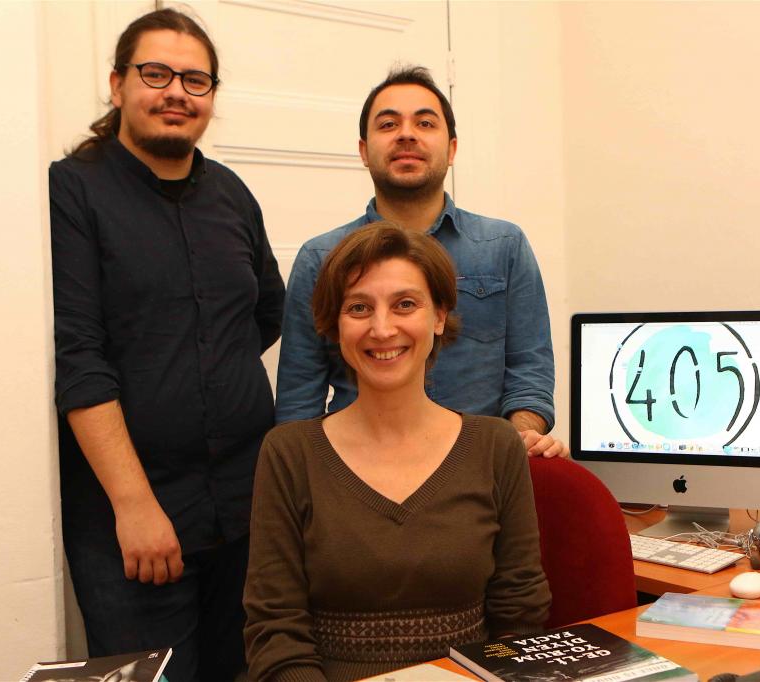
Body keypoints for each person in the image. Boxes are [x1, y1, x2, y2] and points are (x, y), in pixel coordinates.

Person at [49, 9, 284, 680]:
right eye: (156, 74)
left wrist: (204, 368)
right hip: (134, 523)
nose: (176, 92)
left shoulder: (231, 193)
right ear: (117, 84)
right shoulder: (72, 190)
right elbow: (78, 357)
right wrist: (134, 505)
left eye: (195, 79)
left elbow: (268, 311)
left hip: (244, 509)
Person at [244, 222, 551, 681]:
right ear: (335, 326)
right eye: (359, 307)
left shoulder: (495, 446)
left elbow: (519, 618)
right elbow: (275, 634)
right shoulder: (289, 454)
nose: (382, 328)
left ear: (439, 316)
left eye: (405, 304)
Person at [276, 66, 569, 458]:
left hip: (483, 469)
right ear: (363, 151)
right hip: (357, 470)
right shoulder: (320, 259)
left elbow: (529, 371)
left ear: (452, 149)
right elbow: (299, 400)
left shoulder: (503, 247)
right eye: (388, 124)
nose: (406, 134)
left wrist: (516, 445)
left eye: (425, 123)